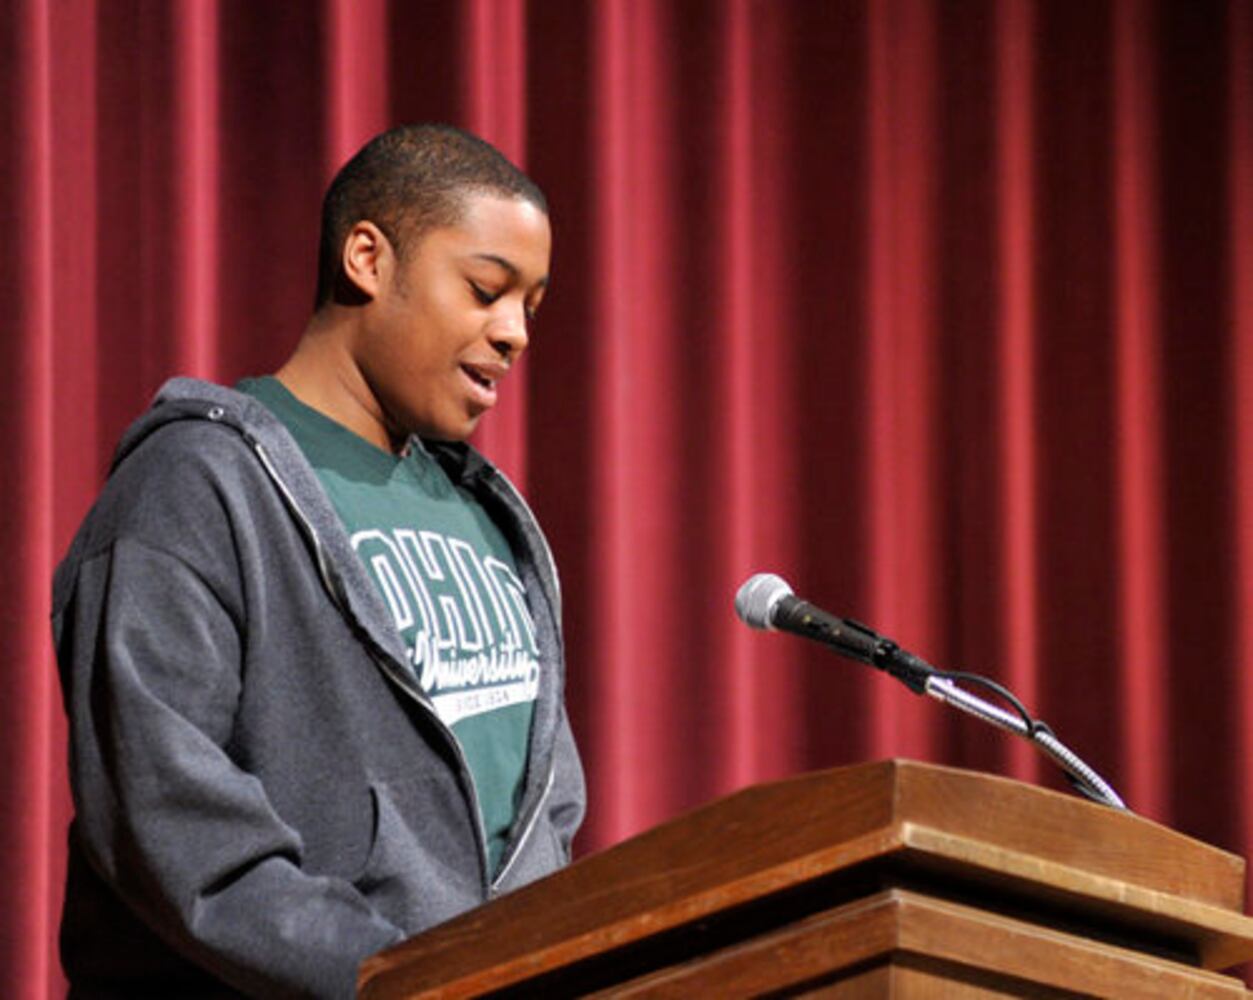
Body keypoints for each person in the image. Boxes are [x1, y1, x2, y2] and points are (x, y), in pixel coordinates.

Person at [51, 124, 585, 999]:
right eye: (486, 289)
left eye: (531, 304)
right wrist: (406, 981)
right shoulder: (194, 486)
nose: (514, 332)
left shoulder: (493, 519)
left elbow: (543, 816)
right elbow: (170, 824)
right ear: (368, 259)